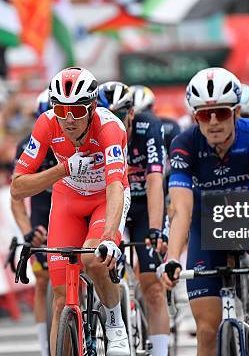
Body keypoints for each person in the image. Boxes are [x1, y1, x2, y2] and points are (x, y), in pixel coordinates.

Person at [158, 67, 249, 356]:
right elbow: (181, 209)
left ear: (237, 112)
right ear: (195, 117)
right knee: (206, 331)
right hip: (206, 227)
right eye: (205, 114)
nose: (214, 121)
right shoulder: (184, 144)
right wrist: (172, 259)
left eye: (222, 112)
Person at [11, 67, 132, 356]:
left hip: (106, 198)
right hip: (69, 200)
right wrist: (63, 168)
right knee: (60, 296)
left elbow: (116, 185)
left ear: (91, 107)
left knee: (93, 258)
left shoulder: (109, 128)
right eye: (61, 109)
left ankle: (116, 327)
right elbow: (18, 187)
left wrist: (108, 237)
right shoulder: (46, 124)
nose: (68, 118)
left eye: (76, 110)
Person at [97, 81, 170, 356]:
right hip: (111, 202)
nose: (114, 122)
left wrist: (154, 229)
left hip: (141, 204)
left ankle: (161, 351)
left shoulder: (147, 125)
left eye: (120, 115)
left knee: (151, 283)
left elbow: (154, 181)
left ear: (131, 113)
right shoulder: (96, 134)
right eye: (107, 115)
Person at [10, 90, 56, 356]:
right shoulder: (28, 145)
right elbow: (15, 198)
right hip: (42, 216)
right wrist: (27, 231)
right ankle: (43, 348)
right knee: (42, 280)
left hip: (76, 210)